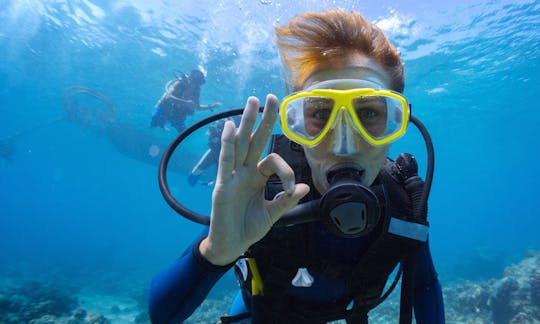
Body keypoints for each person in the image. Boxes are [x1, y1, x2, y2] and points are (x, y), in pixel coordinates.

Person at [149, 9, 445, 324]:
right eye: (319, 113)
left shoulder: (402, 204)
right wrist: (215, 252)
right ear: (295, 125)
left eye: (370, 113)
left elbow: (424, 285)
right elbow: (161, 314)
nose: (343, 145)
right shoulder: (262, 195)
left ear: (396, 123)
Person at [150, 69, 222, 132]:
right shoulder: (180, 83)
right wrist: (185, 102)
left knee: (183, 132)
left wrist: (211, 106)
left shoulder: (196, 91)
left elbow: (197, 107)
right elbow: (168, 97)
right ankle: (162, 124)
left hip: (178, 116)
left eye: (197, 84)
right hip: (164, 111)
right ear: (190, 79)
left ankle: (163, 124)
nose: (194, 86)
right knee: (153, 125)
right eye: (194, 82)